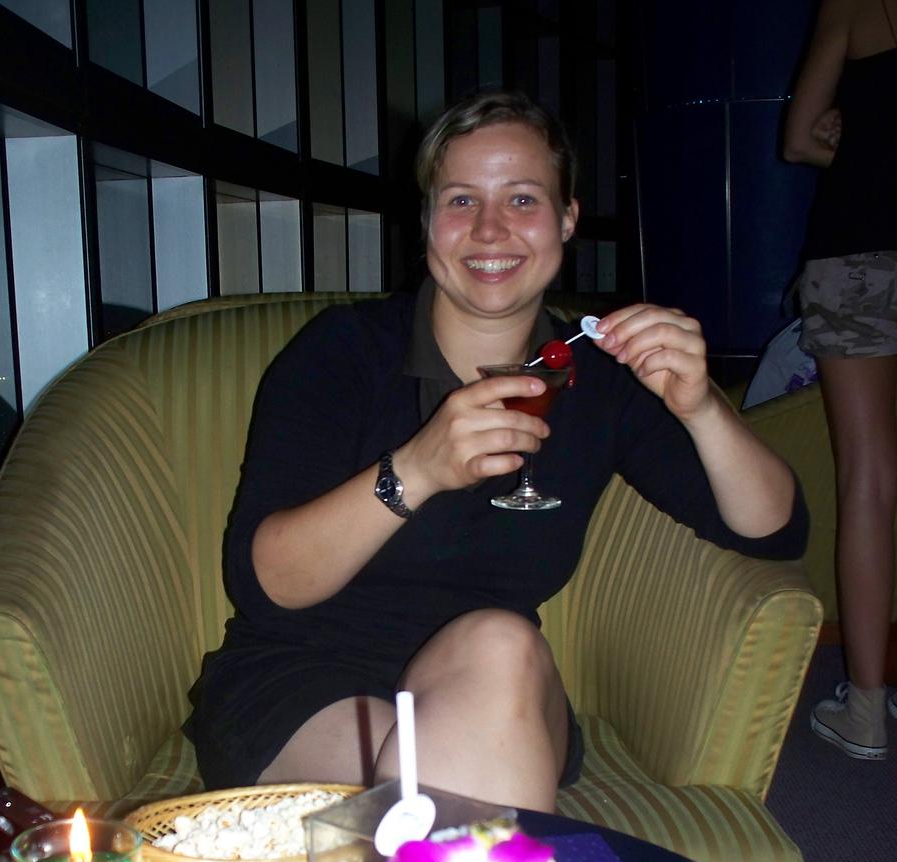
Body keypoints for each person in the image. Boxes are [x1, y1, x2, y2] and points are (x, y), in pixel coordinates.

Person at [186, 89, 807, 813]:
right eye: (460, 201)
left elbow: (773, 530)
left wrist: (702, 409)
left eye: (522, 199)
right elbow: (268, 584)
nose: (489, 229)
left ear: (567, 217)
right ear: (427, 222)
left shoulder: (600, 378)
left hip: (498, 681)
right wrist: (417, 470)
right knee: (445, 795)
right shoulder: (344, 352)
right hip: (306, 685)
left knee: (498, 644)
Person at [784, 0, 897, 759]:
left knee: (868, 480)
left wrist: (859, 146)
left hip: (858, 249)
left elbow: (798, 139)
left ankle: (865, 708)